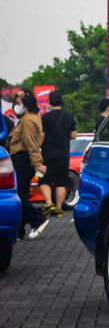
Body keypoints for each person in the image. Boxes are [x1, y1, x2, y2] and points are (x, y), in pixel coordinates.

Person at [6, 89, 48, 240]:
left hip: (22, 160)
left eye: (18, 103)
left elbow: (31, 143)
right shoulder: (29, 118)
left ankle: (38, 220)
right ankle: (19, 232)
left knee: (17, 197)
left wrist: (37, 163)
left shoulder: (28, 120)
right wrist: (17, 94)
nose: (15, 106)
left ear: (27, 103)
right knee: (22, 196)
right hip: (22, 160)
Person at [39, 91, 77, 218]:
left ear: (50, 102)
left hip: (48, 155)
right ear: (61, 101)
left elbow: (42, 135)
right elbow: (73, 135)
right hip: (64, 155)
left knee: (44, 180)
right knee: (61, 182)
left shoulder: (45, 117)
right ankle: (59, 208)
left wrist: (38, 145)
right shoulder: (68, 116)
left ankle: (49, 203)